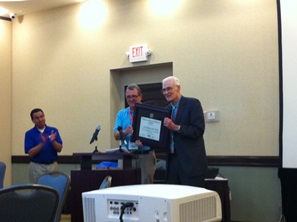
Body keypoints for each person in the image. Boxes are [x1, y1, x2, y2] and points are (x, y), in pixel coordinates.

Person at [162, 76, 208, 187]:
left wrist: (176, 127)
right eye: (164, 90)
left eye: (169, 88)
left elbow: (198, 130)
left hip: (191, 164)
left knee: (192, 201)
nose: (166, 92)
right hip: (172, 162)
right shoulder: (165, 110)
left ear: (178, 88)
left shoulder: (192, 104)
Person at [113, 84, 156, 184]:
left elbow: (155, 135)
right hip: (127, 156)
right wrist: (125, 132)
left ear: (140, 96)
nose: (131, 99)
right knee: (125, 187)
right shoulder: (121, 114)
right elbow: (116, 135)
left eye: (134, 96)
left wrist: (144, 141)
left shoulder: (149, 112)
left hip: (145, 156)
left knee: (145, 188)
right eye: (128, 97)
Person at [24, 108, 63, 183]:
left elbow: (59, 149)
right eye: (37, 118)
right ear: (33, 120)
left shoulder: (53, 130)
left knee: (54, 191)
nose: (40, 119)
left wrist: (53, 141)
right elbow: (30, 153)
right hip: (37, 167)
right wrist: (42, 143)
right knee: (37, 192)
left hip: (52, 166)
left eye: (42, 116)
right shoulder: (29, 133)